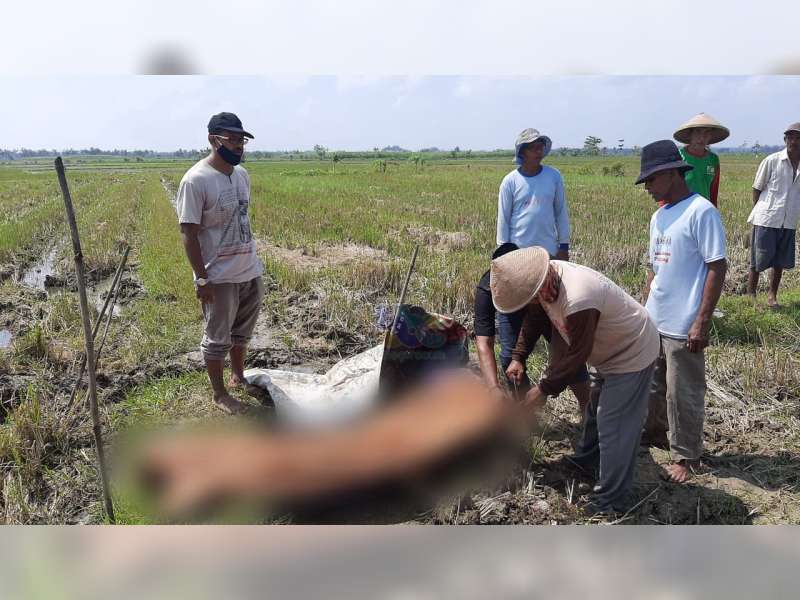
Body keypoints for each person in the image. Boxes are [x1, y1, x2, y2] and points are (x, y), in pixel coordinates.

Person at [490, 247, 660, 516]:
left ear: (538, 284)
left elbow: (578, 353)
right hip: (607, 353)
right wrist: (519, 356)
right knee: (595, 413)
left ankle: (610, 500)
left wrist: (543, 389)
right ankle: (586, 463)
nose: (531, 304)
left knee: (613, 425)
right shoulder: (544, 282)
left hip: (632, 351)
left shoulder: (579, 297)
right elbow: (534, 319)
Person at [637, 140, 727, 484]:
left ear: (672, 173)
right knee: (654, 387)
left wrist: (701, 322)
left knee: (683, 392)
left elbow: (717, 267)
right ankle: (655, 435)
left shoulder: (701, 212)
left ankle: (687, 456)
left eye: (651, 180)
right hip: (655, 319)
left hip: (684, 322)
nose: (647, 188)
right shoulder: (659, 216)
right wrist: (643, 310)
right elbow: (653, 270)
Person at [175, 112, 265, 414]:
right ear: (214, 140)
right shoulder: (196, 180)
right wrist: (202, 279)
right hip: (219, 276)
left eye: (242, 140)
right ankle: (220, 394)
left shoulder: (242, 176)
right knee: (217, 338)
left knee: (242, 332)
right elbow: (188, 233)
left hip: (249, 269)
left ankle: (238, 376)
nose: (239, 146)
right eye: (233, 139)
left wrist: (253, 266)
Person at [473, 243, 590, 410]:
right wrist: (493, 387)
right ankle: (526, 410)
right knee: (508, 357)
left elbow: (566, 344)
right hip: (523, 308)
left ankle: (587, 406)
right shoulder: (488, 288)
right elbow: (484, 342)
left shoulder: (544, 281)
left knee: (570, 358)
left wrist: (547, 384)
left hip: (546, 306)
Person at [746, 122, 800, 309]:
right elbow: (757, 189)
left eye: (798, 137)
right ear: (785, 140)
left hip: (789, 221)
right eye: (790, 137)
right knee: (757, 260)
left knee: (779, 262)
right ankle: (751, 295)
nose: (794, 141)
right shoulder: (772, 161)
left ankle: (772, 296)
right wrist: (759, 212)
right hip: (767, 218)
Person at [673, 113, 730, 208]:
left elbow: (713, 191)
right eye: (698, 132)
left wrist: (713, 212)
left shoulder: (713, 160)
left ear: (710, 136)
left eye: (706, 133)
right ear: (690, 134)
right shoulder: (678, 157)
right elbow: (667, 189)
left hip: (704, 210)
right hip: (681, 210)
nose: (702, 137)